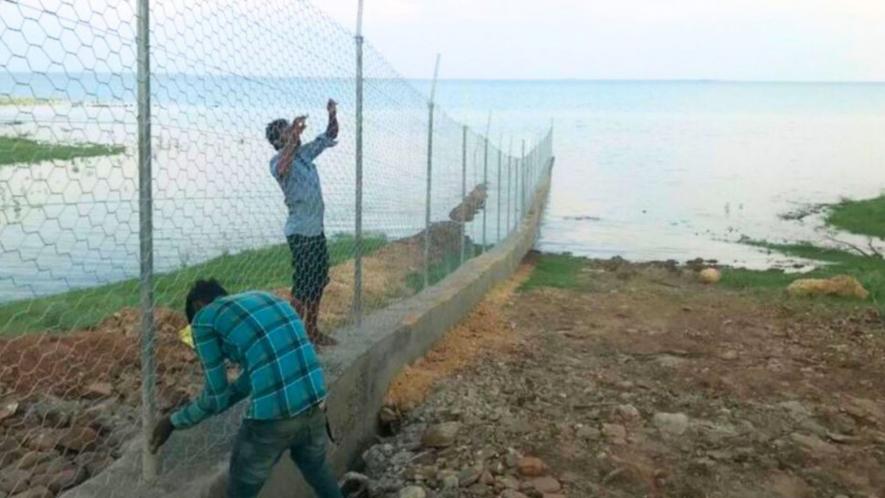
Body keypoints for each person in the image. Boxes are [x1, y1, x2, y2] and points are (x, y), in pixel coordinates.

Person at [150, 279, 343, 498]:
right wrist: (223, 399)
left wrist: (173, 422)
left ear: (198, 306)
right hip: (317, 405)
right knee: (317, 470)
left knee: (240, 491)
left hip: (273, 420)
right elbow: (251, 379)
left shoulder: (203, 319)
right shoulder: (265, 297)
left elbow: (215, 397)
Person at [265, 99, 339, 347]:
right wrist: (292, 140)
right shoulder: (277, 162)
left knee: (318, 282)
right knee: (302, 287)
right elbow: (284, 166)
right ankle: (294, 340)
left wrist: (332, 114)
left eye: (291, 129)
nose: (292, 133)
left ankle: (311, 330)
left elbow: (329, 136)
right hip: (300, 234)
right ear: (278, 141)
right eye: (286, 132)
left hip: (316, 231)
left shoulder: (305, 154)